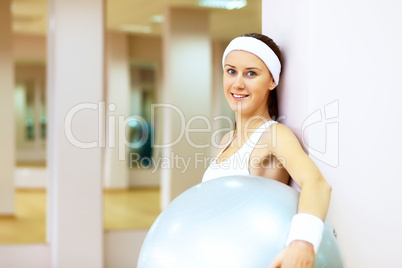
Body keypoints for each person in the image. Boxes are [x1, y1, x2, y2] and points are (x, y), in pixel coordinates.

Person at [201, 33, 332, 268]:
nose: (238, 83)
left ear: (272, 81)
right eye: (231, 71)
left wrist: (303, 242)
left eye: (251, 73)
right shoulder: (225, 140)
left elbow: (317, 184)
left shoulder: (273, 134)